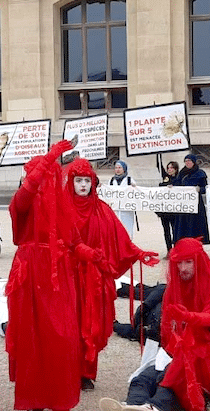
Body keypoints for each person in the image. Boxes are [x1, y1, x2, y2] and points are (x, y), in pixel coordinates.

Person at [99, 238, 210, 411]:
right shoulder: (177, 281)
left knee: (174, 373)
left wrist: (188, 317)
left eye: (188, 262)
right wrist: (169, 346)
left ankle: (157, 407)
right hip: (184, 340)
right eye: (179, 263)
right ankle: (132, 405)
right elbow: (167, 324)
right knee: (146, 375)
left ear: (199, 260)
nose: (183, 268)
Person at [5, 139, 82, 411]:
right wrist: (51, 157)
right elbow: (25, 196)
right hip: (29, 269)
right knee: (30, 336)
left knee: (61, 336)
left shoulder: (63, 205)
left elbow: (75, 240)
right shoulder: (22, 200)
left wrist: (91, 254)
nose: (38, 179)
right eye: (34, 174)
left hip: (57, 271)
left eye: (44, 174)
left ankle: (60, 407)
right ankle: (35, 398)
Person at [65, 157, 160, 390]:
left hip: (94, 277)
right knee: (68, 324)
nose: (83, 185)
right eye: (79, 180)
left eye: (87, 180)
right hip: (68, 275)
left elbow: (120, 238)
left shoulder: (102, 210)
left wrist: (138, 253)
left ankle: (86, 372)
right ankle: (66, 370)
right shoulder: (61, 209)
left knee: (92, 323)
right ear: (71, 182)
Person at [171, 152, 210, 245]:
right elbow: (177, 184)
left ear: (194, 162)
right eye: (186, 161)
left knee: (196, 226)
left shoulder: (200, 173)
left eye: (189, 161)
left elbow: (206, 188)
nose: (187, 163)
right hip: (184, 205)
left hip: (196, 205)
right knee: (183, 227)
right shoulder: (182, 173)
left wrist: (199, 189)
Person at [108, 160, 137, 238]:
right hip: (115, 209)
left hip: (126, 210)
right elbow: (107, 193)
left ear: (124, 169)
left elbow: (137, 192)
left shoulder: (129, 180)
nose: (117, 169)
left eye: (119, 167)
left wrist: (134, 187)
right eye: (116, 168)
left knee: (127, 229)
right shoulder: (111, 180)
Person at [157, 160, 179, 252]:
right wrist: (158, 153)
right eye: (168, 168)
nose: (170, 170)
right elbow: (158, 165)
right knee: (166, 231)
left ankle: (176, 249)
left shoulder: (179, 179)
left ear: (176, 169)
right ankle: (169, 250)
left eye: (172, 168)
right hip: (164, 210)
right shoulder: (165, 177)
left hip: (174, 210)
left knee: (175, 230)